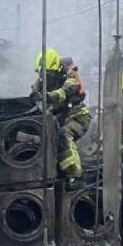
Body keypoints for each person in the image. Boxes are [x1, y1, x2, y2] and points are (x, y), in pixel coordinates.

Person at [31, 48, 90, 184]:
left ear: (56, 69)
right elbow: (33, 95)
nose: (44, 76)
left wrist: (48, 96)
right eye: (41, 73)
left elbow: (66, 92)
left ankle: (74, 176)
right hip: (59, 118)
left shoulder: (69, 76)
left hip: (78, 117)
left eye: (47, 73)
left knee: (64, 135)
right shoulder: (41, 79)